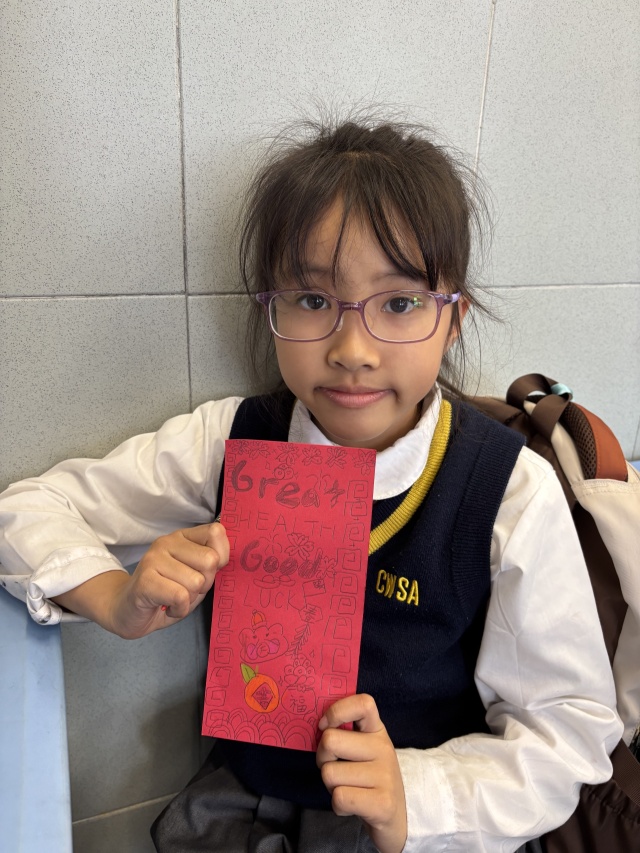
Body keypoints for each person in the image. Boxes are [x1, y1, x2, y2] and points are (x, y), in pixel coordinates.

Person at [0, 116, 622, 853]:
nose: (352, 350)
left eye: (399, 303)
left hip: (425, 824)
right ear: (271, 310)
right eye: (312, 300)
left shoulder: (508, 489)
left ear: (453, 320)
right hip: (244, 808)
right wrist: (112, 597)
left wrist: (416, 793)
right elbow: (26, 509)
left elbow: (567, 730)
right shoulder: (231, 442)